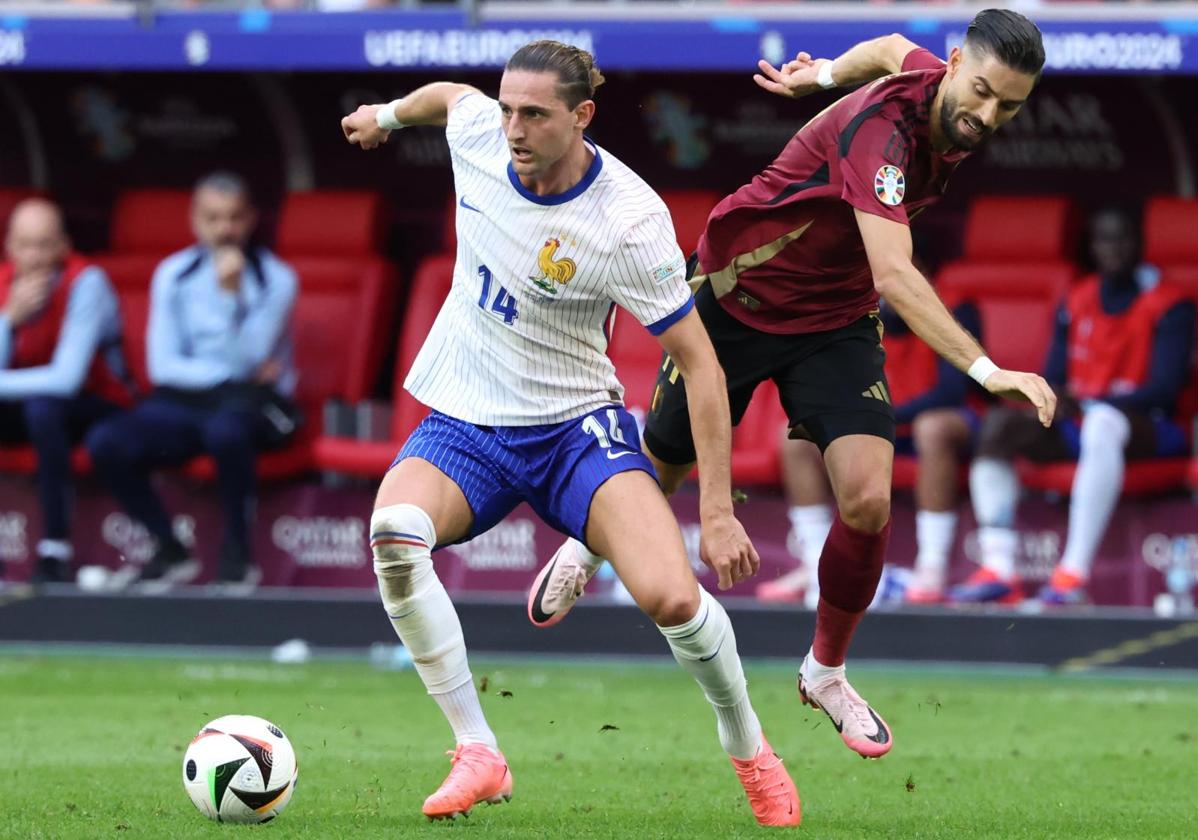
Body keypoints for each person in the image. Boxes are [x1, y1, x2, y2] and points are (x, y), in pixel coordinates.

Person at [526, 9, 1056, 761]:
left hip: (833, 319)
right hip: (738, 293)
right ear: (953, 61)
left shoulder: (927, 78)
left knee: (869, 499)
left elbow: (881, 48)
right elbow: (896, 276)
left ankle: (826, 673)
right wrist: (987, 368)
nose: (988, 114)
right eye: (981, 92)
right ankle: (588, 546)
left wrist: (823, 75)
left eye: (1009, 105)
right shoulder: (885, 135)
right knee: (664, 465)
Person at [339, 41, 800, 826]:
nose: (512, 128)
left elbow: (702, 366)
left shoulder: (627, 219)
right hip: (468, 422)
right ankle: (478, 751)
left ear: (581, 116)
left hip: (574, 431)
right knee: (393, 532)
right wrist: (384, 116)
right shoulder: (481, 133)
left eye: (534, 115)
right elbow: (450, 96)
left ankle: (750, 746)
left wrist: (717, 509)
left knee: (672, 598)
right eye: (508, 107)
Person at [951, 206, 1195, 606]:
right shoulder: (1078, 298)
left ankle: (1071, 573)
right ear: (1091, 247)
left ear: (1140, 245)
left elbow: (1165, 390)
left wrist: (1090, 403)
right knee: (998, 426)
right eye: (1103, 239)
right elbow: (1054, 374)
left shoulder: (1170, 303)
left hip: (1152, 427)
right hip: (1082, 422)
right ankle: (999, 568)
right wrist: (1056, 398)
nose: (1112, 248)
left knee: (1103, 421)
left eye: (1122, 239)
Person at [86, 172, 299, 590]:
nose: (224, 229)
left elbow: (248, 361)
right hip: (184, 402)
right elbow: (163, 366)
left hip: (250, 405)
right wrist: (224, 373)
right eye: (213, 217)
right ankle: (168, 549)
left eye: (234, 218)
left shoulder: (277, 279)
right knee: (107, 441)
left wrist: (229, 295)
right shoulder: (173, 273)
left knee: (226, 431)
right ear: (195, 220)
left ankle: (238, 558)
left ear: (251, 219)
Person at [760, 297, 985, 607]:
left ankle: (932, 566)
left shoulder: (956, 307)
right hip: (877, 423)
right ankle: (817, 565)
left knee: (931, 429)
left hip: (938, 422)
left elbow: (952, 389)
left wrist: (879, 413)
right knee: (795, 436)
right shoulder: (852, 305)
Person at [0, 198, 129, 583]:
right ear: (9, 247)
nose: (34, 257)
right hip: (27, 405)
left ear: (63, 246)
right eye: (24, 245)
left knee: (45, 407)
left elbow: (66, 379)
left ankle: (55, 546)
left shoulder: (87, 282)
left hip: (99, 404)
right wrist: (9, 321)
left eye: (44, 245)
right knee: (39, 407)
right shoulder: (4, 284)